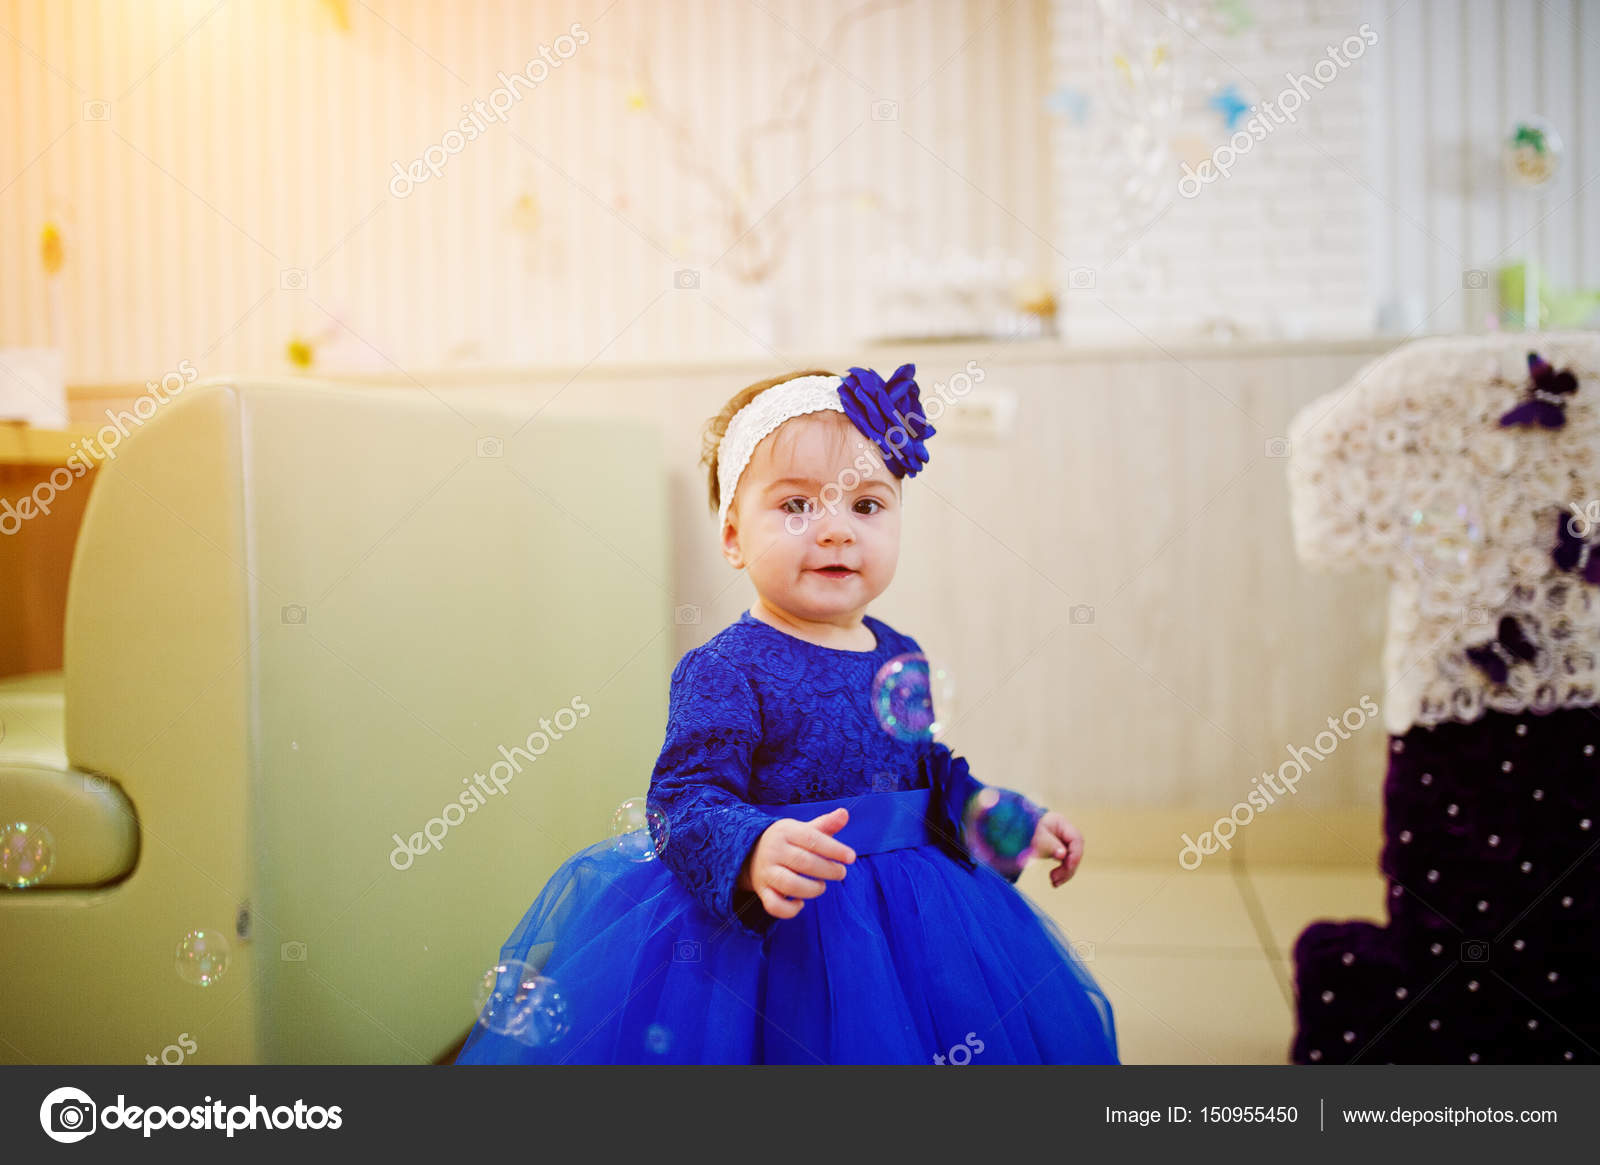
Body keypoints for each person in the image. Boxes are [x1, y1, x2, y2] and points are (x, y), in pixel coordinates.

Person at [454, 364, 1118, 1064]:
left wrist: (1013, 819)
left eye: (866, 505)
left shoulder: (899, 653)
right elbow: (683, 798)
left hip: (913, 918)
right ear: (734, 536)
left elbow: (934, 774)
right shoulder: (727, 667)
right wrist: (752, 849)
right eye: (798, 505)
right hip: (784, 923)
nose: (835, 531)